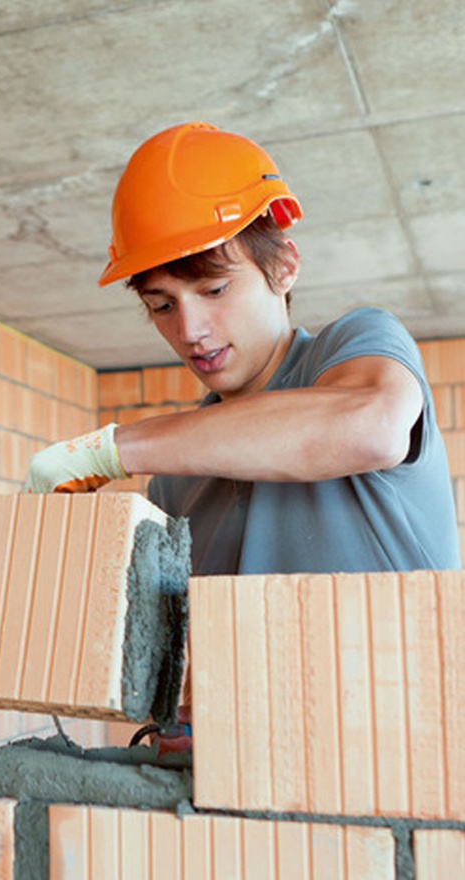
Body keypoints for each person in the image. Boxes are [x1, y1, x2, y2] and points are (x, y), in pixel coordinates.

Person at [24, 121, 461, 577]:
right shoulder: (175, 480)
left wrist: (109, 450)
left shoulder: (358, 345)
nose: (189, 330)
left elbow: (375, 427)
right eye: (162, 305)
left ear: (285, 266)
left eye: (214, 290)